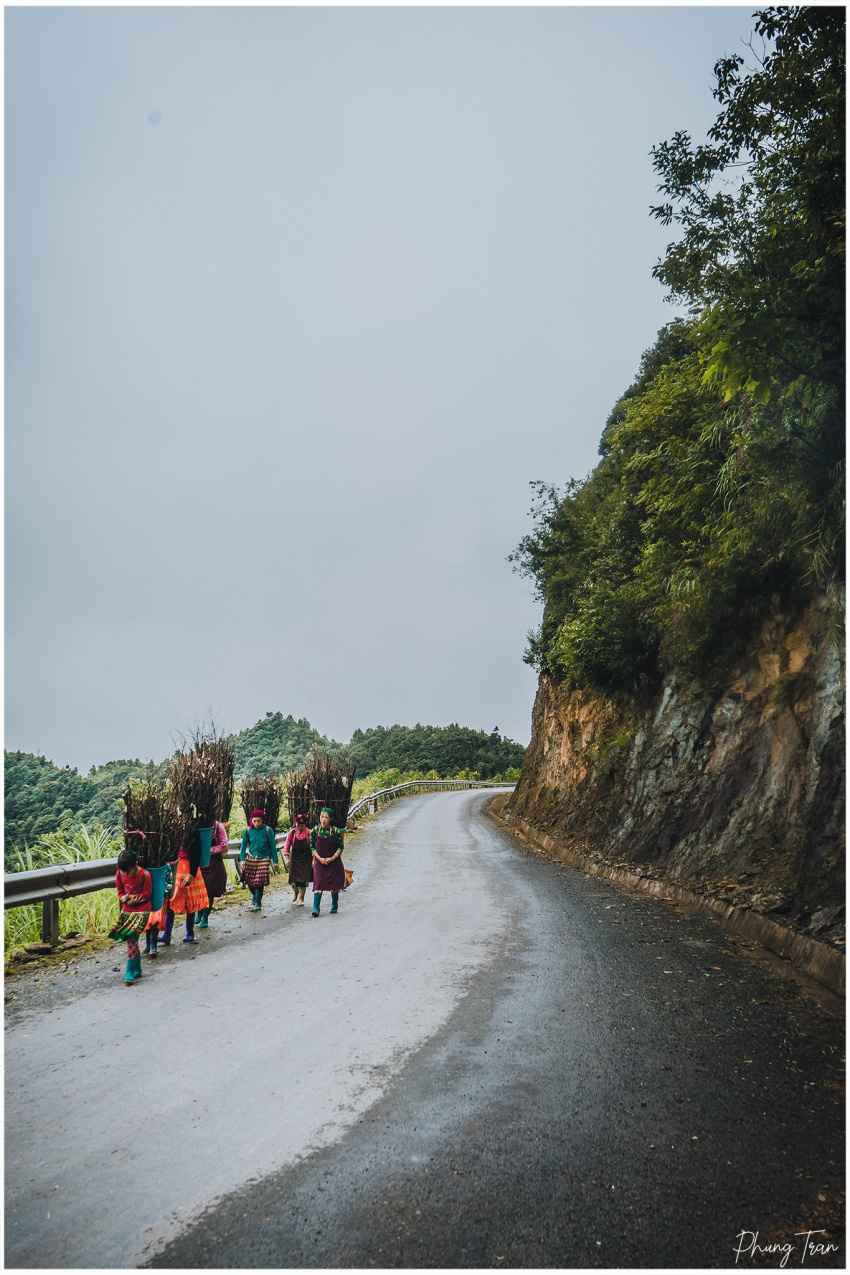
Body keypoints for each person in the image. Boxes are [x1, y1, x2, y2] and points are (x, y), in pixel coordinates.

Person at [109, 847, 152, 983]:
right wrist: (125, 898)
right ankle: (137, 968)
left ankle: (129, 971)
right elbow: (120, 892)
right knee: (131, 939)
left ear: (135, 864)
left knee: (131, 938)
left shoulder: (145, 875)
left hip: (142, 911)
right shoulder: (120, 874)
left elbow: (146, 894)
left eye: (128, 870)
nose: (126, 873)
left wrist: (136, 898)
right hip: (127, 911)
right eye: (123, 870)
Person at [168, 828, 210, 943]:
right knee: (170, 900)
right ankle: (167, 934)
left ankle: (189, 933)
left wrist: (191, 874)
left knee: (190, 901)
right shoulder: (171, 828)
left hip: (188, 868)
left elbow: (197, 853)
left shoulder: (192, 830)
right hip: (175, 867)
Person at [311, 806, 347, 917]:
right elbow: (312, 847)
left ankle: (334, 904)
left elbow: (341, 847)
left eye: (326, 817)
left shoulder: (336, 831)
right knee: (318, 886)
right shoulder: (315, 831)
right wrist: (319, 858)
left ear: (330, 819)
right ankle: (316, 908)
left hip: (334, 862)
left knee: (334, 887)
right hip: (320, 861)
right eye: (322, 817)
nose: (323, 819)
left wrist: (332, 858)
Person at [239, 809, 279, 910]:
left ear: (263, 820)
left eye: (258, 821)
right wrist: (242, 859)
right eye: (254, 821)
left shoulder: (268, 830)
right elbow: (243, 846)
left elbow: (273, 846)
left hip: (264, 858)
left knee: (259, 882)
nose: (256, 823)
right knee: (250, 881)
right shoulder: (248, 830)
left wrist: (275, 861)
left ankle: (258, 903)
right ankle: (255, 896)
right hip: (251, 857)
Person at [197, 819, 229, 928]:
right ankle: (199, 911)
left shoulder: (218, 827)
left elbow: (224, 845)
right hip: (200, 863)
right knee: (200, 890)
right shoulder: (196, 825)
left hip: (214, 863)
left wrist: (208, 850)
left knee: (209, 892)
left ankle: (205, 917)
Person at [283, 812, 312, 906]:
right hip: (295, 858)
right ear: (295, 824)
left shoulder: (309, 832)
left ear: (305, 824)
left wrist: (314, 860)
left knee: (303, 880)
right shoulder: (292, 833)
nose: (300, 827)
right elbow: (287, 846)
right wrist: (287, 859)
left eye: (302, 825)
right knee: (293, 879)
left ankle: (301, 898)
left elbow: (314, 846)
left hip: (306, 859)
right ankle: (295, 891)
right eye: (298, 825)